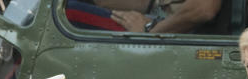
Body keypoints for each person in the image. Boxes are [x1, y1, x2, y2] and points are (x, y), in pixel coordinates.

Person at [92, 0, 221, 33]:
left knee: (72, 13)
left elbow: (203, 9)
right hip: (157, 18)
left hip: (175, 33)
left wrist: (149, 31)